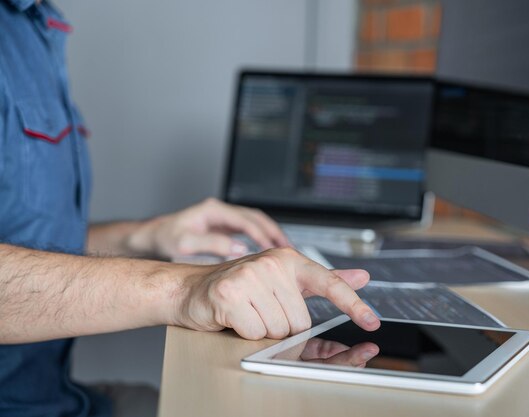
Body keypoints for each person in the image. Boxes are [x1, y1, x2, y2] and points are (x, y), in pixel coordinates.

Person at [0, 1, 381, 416]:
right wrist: (183, 289)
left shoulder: (34, 22)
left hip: (55, 395)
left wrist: (146, 235)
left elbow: (19, 232)